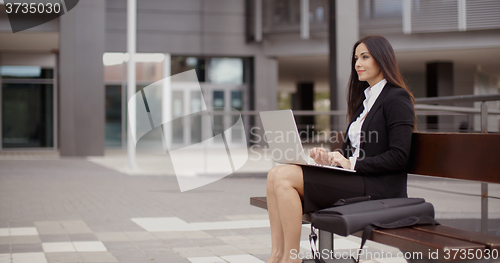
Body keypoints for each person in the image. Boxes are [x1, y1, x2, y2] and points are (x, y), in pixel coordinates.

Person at [265, 35, 416, 263]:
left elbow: (399, 156)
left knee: (284, 177)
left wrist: (350, 163)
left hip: (379, 189)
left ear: (382, 59)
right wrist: (329, 160)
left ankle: (290, 258)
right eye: (356, 58)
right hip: (357, 180)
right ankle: (278, 255)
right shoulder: (365, 102)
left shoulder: (397, 98)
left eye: (365, 57)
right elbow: (353, 153)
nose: (357, 64)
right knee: (275, 174)